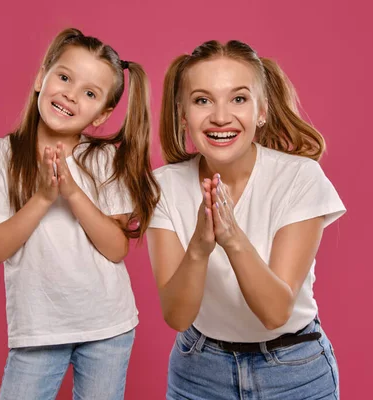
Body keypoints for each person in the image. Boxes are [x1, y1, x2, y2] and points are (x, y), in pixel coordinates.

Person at [0, 28, 159, 400]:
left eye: (89, 93)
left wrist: (71, 192)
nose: (70, 93)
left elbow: (116, 249)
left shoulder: (105, 161)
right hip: (39, 329)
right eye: (64, 77)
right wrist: (44, 197)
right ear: (42, 77)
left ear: (102, 114)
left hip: (107, 327)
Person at [147, 39, 346, 399]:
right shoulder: (163, 187)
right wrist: (199, 248)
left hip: (293, 371)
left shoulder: (300, 179)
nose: (221, 116)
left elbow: (275, 312)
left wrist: (232, 238)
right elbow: (177, 317)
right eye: (202, 100)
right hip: (199, 371)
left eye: (238, 99)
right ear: (183, 114)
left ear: (262, 111)